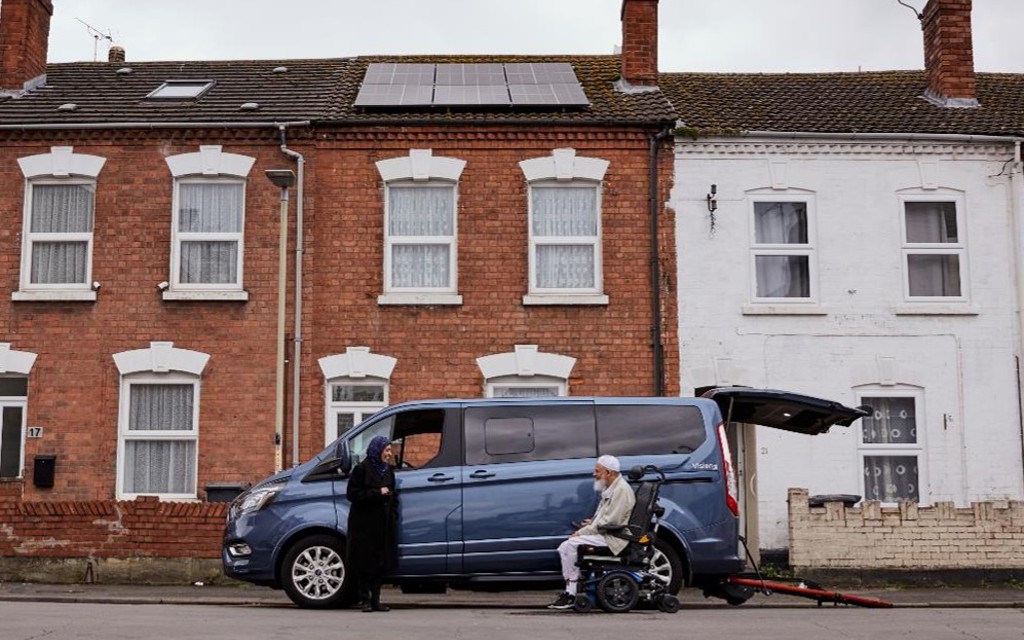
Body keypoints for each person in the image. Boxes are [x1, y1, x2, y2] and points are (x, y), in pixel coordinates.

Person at [548, 454, 636, 610]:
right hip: (608, 533)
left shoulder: (621, 490)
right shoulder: (613, 487)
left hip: (614, 537)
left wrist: (583, 532)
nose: (594, 474)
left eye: (597, 471)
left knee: (570, 545)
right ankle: (571, 590)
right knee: (564, 547)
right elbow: (605, 517)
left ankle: (571, 593)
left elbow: (610, 522)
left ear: (608, 473)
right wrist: (592, 523)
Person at [346, 435, 399, 612]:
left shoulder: (388, 471)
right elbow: (353, 494)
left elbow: (394, 494)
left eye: (390, 450)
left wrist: (393, 513)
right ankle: (365, 599)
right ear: (378, 451)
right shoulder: (361, 469)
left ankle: (376, 600)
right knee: (365, 563)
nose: (389, 454)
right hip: (365, 525)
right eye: (387, 450)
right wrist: (377, 492)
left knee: (379, 564)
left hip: (383, 525)